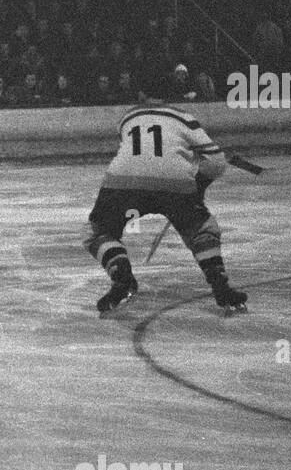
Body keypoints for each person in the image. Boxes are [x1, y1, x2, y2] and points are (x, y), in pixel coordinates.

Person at [84, 78, 247, 315]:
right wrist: (197, 186)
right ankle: (220, 285)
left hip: (124, 180)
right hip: (175, 184)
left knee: (98, 231)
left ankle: (121, 277)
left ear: (140, 94)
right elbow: (216, 162)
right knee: (202, 230)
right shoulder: (184, 117)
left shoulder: (128, 117)